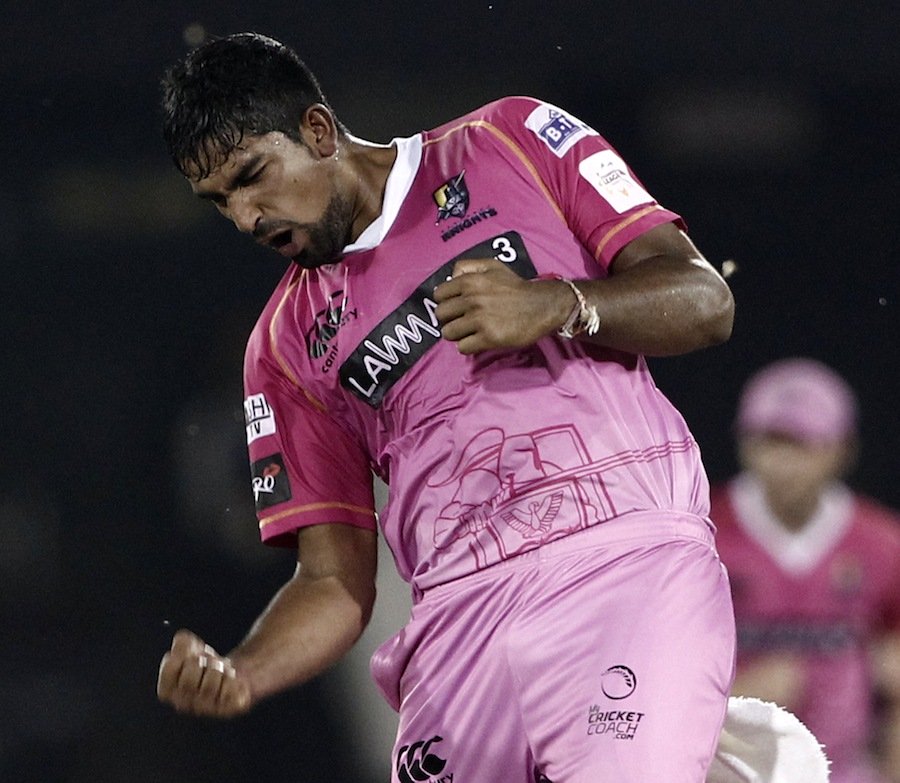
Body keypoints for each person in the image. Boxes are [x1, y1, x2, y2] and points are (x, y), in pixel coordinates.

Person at [156, 32, 737, 782]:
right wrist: (244, 671)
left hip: (623, 567)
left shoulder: (513, 139)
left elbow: (705, 302)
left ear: (319, 131)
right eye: (220, 201)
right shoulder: (282, 346)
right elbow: (333, 581)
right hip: (458, 624)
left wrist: (560, 305)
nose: (244, 216)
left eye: (253, 176)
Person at [711, 358, 900, 783]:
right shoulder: (701, 535)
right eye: (769, 441)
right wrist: (730, 698)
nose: (783, 461)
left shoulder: (883, 544)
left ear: (843, 448)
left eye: (802, 443)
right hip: (728, 771)